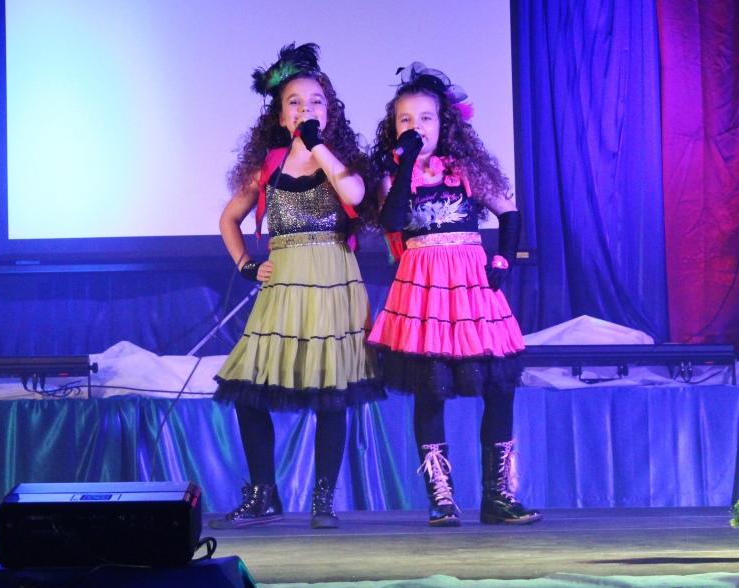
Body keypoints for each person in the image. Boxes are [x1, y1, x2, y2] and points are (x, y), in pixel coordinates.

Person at [210, 43, 383, 530]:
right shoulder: (268, 166)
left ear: (329, 111)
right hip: (283, 285)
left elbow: (354, 196)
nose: (306, 109)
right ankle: (264, 493)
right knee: (248, 389)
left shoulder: (341, 161)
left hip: (332, 280)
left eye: (316, 102)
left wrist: (317, 146)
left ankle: (323, 498)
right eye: (295, 102)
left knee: (332, 390)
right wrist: (247, 265)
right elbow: (228, 219)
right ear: (281, 115)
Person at [367, 63, 541, 527]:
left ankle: (498, 496)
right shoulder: (391, 175)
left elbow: (509, 212)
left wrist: (503, 260)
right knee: (431, 389)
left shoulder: (464, 170)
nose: (416, 126)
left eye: (425, 117)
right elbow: (391, 221)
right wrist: (405, 163)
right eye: (405, 119)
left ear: (443, 123)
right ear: (394, 127)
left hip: (470, 289)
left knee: (499, 387)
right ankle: (442, 498)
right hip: (423, 292)